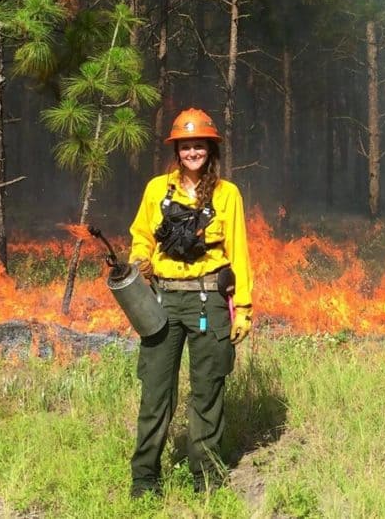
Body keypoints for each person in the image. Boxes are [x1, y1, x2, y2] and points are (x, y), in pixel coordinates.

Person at [128, 107, 253, 497]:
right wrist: (139, 261)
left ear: (210, 149)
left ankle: (207, 479)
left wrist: (244, 308)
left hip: (209, 303)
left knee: (207, 391)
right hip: (162, 302)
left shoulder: (227, 194)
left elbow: (239, 252)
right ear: (177, 149)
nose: (192, 152)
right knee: (155, 393)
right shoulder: (155, 189)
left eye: (199, 145)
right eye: (186, 146)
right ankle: (145, 480)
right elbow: (141, 236)